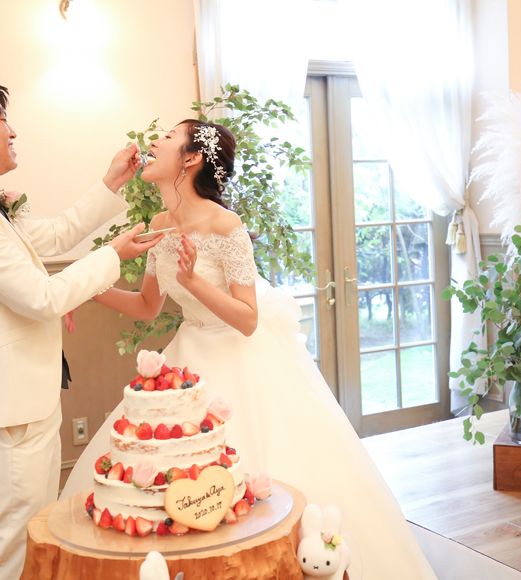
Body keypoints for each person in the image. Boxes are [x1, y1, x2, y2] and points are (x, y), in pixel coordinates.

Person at [63, 119, 436, 579]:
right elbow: (146, 305)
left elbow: (247, 318)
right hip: (188, 361)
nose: (153, 142)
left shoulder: (226, 225)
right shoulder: (160, 225)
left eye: (167, 138)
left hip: (240, 357)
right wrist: (84, 291)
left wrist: (193, 281)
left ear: (191, 158)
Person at [0, 85, 163, 580]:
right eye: (3, 121)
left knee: (31, 527)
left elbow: (52, 236)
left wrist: (111, 182)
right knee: (16, 539)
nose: (12, 131)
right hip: (14, 412)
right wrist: (114, 254)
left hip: (31, 402)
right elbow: (42, 297)